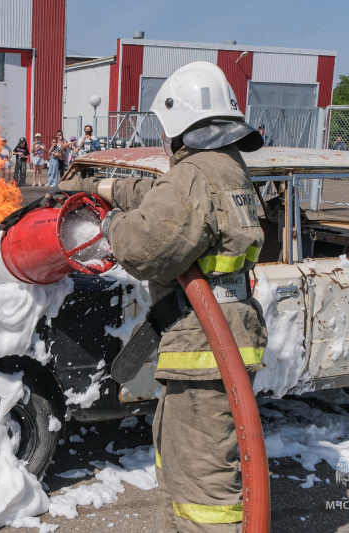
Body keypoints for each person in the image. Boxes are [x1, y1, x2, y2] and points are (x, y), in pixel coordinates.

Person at [59, 61, 267, 532]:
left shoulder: (195, 176)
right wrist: (106, 187)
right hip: (218, 342)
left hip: (206, 348)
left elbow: (144, 247)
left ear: (179, 120)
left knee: (203, 482)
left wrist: (108, 224)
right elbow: (163, 197)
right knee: (184, 457)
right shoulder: (226, 168)